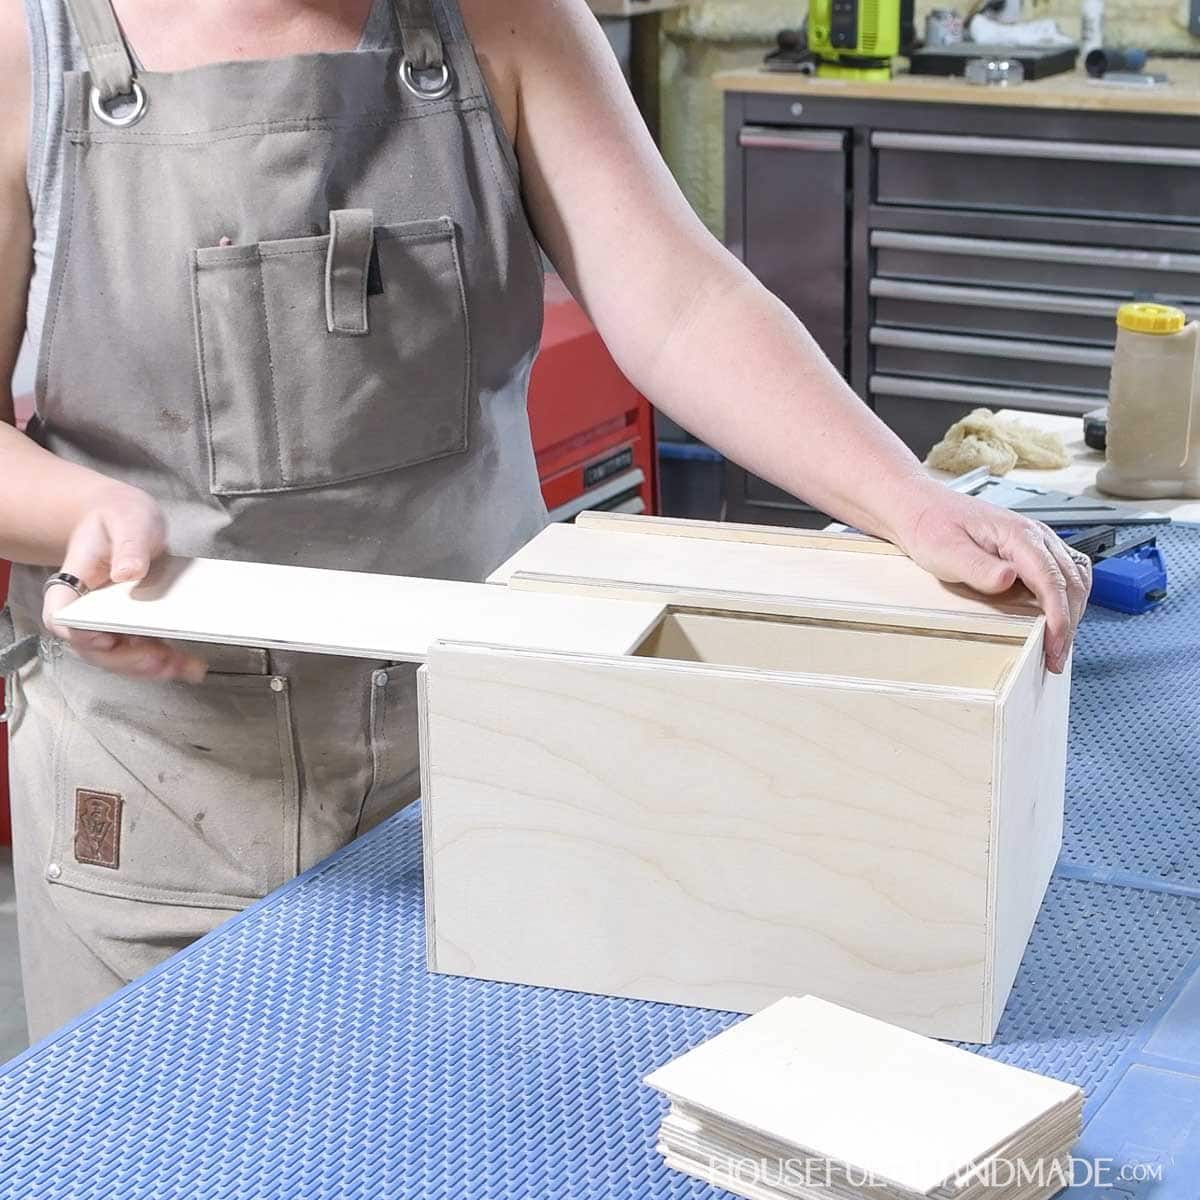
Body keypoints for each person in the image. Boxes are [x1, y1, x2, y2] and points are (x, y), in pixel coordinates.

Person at [0, 0, 1091, 1043]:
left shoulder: (503, 17)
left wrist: (905, 498)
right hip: (163, 791)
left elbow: (681, 303)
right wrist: (78, 511)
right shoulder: (26, 46)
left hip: (491, 747)